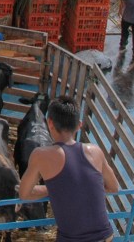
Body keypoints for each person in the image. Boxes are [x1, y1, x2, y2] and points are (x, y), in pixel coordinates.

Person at [19, 99, 119, 242]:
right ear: (79, 125)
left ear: (50, 123)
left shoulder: (40, 155)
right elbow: (114, 187)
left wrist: (54, 189)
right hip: (105, 237)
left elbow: (24, 193)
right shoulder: (95, 151)